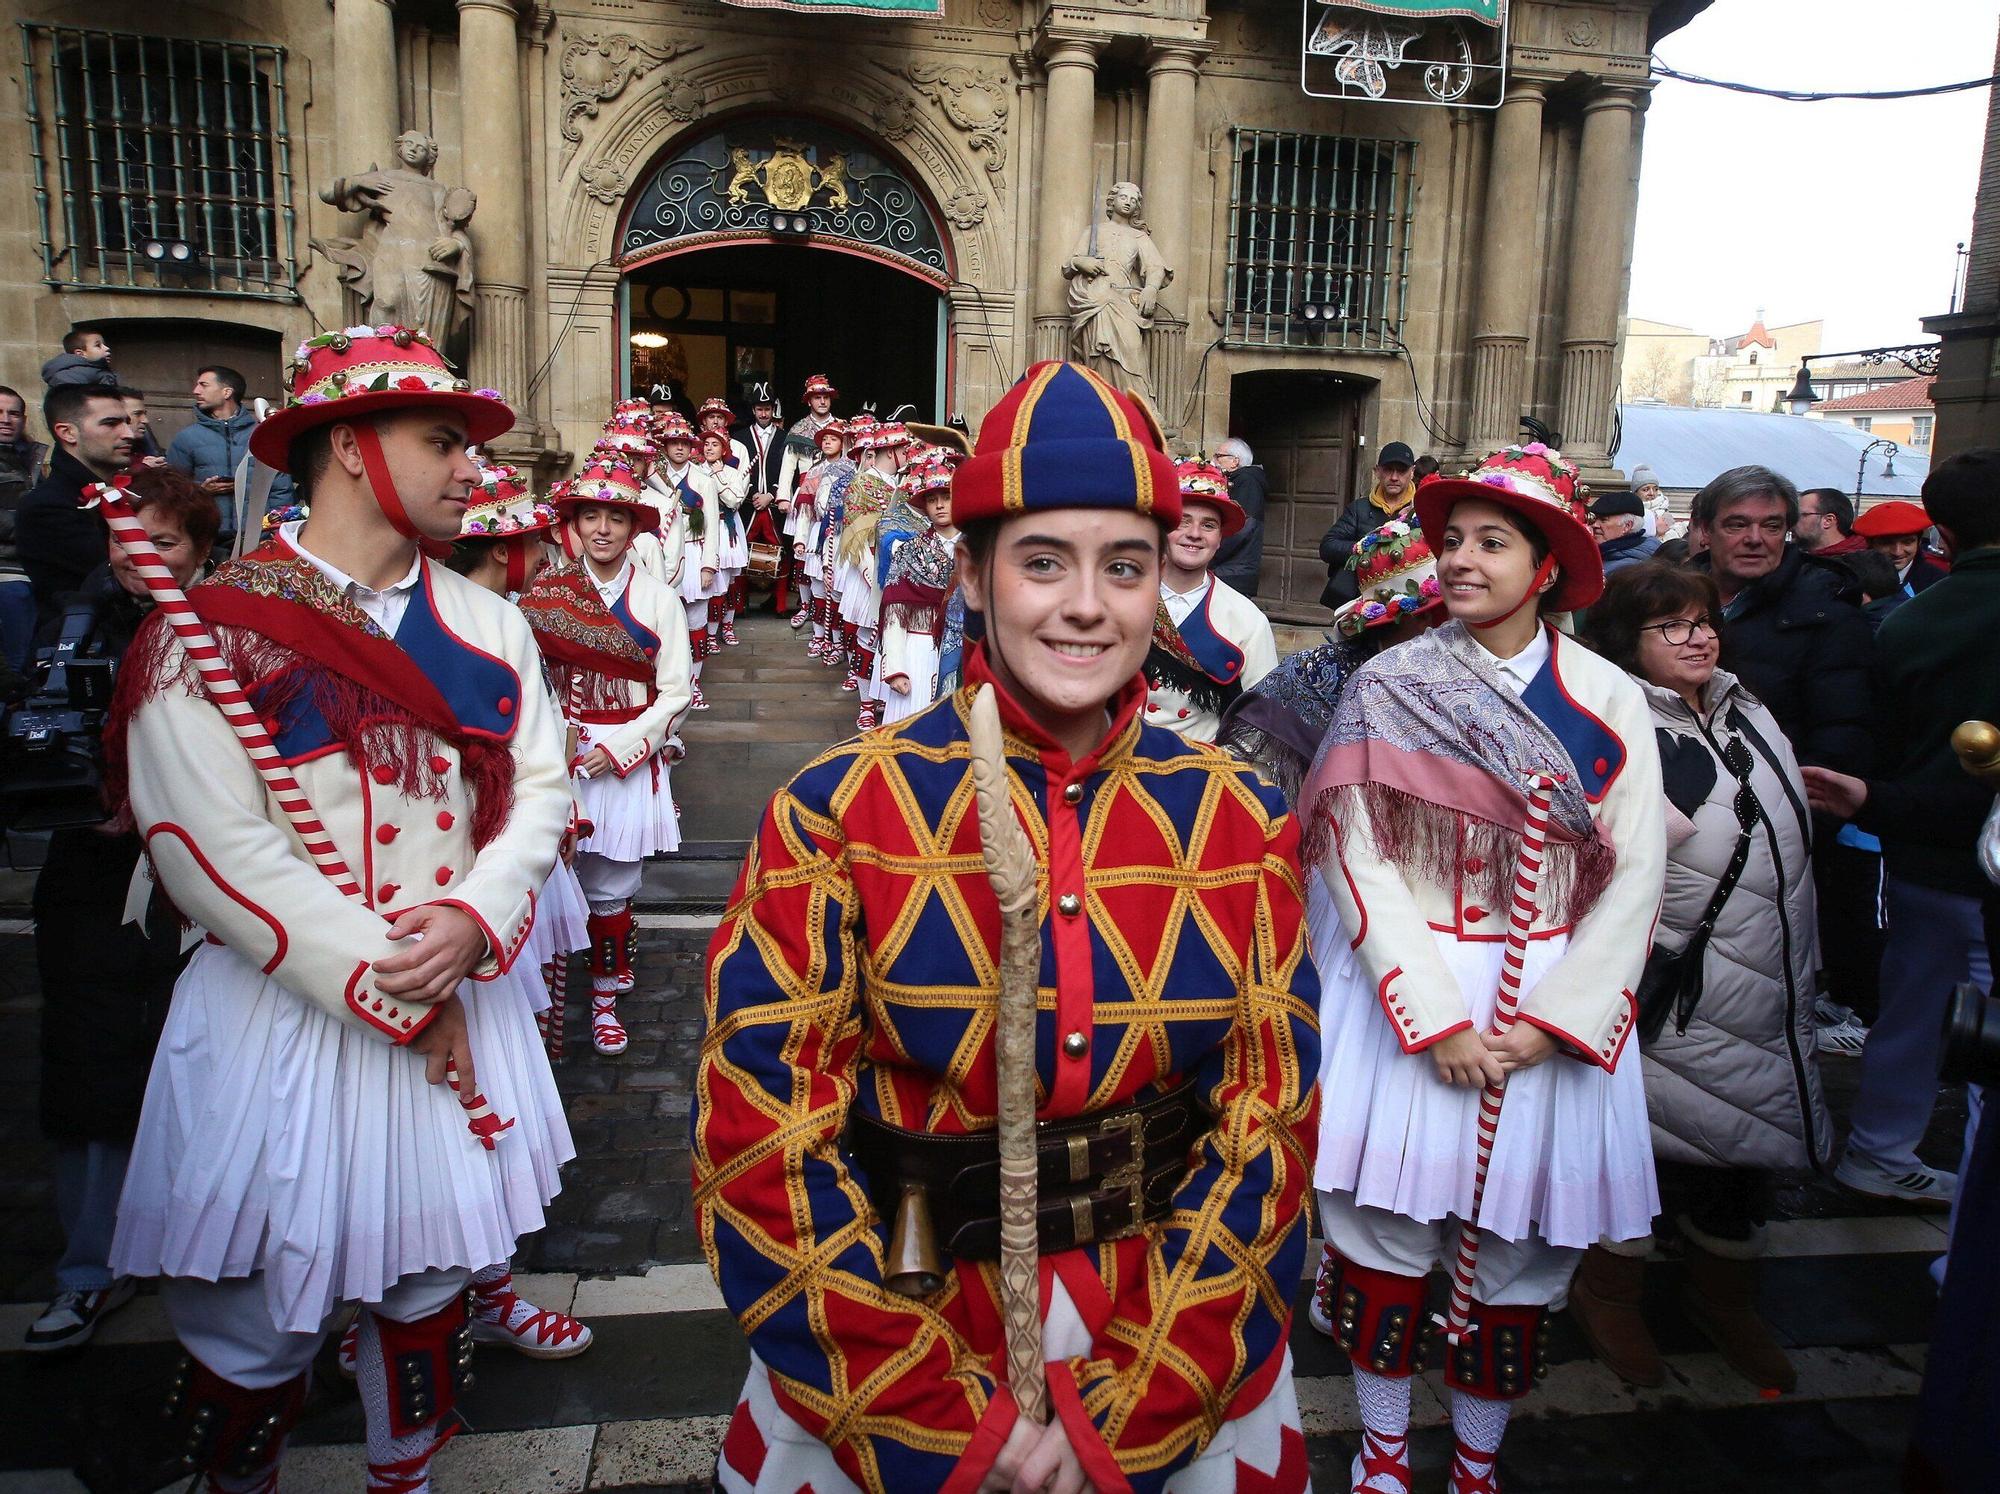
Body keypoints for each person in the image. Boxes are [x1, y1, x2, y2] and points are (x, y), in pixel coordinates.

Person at [695, 360, 1318, 1494]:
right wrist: (931, 1417)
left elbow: (1268, 1121)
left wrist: (1142, 1396)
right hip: (905, 1319)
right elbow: (760, 1135)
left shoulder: (1239, 816)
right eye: (1042, 562)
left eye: (1123, 566)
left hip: (1166, 1327)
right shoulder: (837, 810)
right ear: (973, 575)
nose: (1086, 604)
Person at [102, 325, 574, 1492]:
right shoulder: (208, 627)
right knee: (251, 1315)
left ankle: (403, 1477)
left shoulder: (489, 624)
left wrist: (473, 919)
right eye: (442, 441)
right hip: (287, 1012)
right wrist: (390, 975)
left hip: (459, 983)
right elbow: (209, 850)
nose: (472, 469)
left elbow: (540, 790)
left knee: (431, 1284)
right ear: (352, 447)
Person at [1304, 442, 1664, 1494]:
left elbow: (1637, 870)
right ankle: (1379, 1453)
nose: (1460, 559)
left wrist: (1554, 1020)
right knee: (1380, 1240)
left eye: (1491, 543)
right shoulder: (1389, 683)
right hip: (1413, 993)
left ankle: (1475, 1462)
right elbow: (1354, 854)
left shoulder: (1607, 698)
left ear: (1545, 565)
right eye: (1451, 539)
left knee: (1517, 1259)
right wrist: (1434, 1015)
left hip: (1548, 996)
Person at [1572, 562, 1829, 1394]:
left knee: (1741, 1154)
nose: (1697, 638)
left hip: (1766, 976)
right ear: (1626, 641)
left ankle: (1727, 1298)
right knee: (1651, 1147)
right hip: (1677, 987)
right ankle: (1610, 1290)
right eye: (1671, 626)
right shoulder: (1617, 722)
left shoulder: (1746, 707)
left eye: (1704, 620)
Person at [24, 467, 216, 1354]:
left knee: (199, 1062)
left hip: (202, 885)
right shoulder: (68, 623)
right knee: (92, 1064)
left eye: (162, 541)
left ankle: (198, 1244)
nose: (137, 556)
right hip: (94, 884)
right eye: (122, 538)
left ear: (200, 548)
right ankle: (89, 1265)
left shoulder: (227, 631)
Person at [1804, 448, 2000, 1208]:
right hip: (1964, 850)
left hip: (1919, 851)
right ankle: (1977, 1210)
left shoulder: (1911, 622)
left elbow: (1882, 739)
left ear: (1941, 532)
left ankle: (1880, 1149)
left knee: (1913, 1009)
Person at [521, 454, 693, 1058]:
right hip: (556, 754)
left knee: (611, 888)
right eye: (591, 516)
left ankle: (603, 1001)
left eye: (616, 518)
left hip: (623, 761)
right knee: (541, 878)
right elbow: (527, 677)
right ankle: (539, 995)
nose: (602, 529)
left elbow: (676, 692)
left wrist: (621, 750)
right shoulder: (546, 594)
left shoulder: (658, 599)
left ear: (632, 528)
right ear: (574, 524)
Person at [1221, 516, 1446, 969]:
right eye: (1429, 617)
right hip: (1336, 880)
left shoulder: (1475, 679)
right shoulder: (1315, 676)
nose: (1444, 631)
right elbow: (1250, 783)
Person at [1687, 465, 1871, 776]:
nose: (1754, 539)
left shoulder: (1825, 613)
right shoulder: (1667, 600)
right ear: (1706, 530)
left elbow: (1843, 731)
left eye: (1772, 526)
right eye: (1737, 525)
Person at [1145, 458, 1278, 743]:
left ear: (1220, 539)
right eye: (1183, 521)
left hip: (1195, 764)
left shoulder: (1248, 621)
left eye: (1208, 525)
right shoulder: (1120, 597)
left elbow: (1262, 721)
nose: (1194, 534)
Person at [16, 385, 136, 621]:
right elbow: (116, 574)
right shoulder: (47, 507)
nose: (129, 434)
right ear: (68, 432)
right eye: (111, 423)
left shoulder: (124, 492)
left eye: (127, 422)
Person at [165, 364, 295, 540]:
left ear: (227, 392)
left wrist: (275, 532)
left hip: (258, 538)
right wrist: (201, 491)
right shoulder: (186, 438)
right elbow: (170, 491)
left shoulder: (261, 435)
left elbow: (281, 489)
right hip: (207, 539)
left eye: (203, 385)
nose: (196, 391)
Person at [877, 446, 960, 724]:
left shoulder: (979, 549)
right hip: (920, 652)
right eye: (932, 499)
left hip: (967, 653)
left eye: (946, 497)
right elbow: (894, 612)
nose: (939, 505)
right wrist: (896, 669)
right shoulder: (909, 551)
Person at [648, 412, 722, 710]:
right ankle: (669, 684)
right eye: (673, 443)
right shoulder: (654, 479)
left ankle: (695, 684)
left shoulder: (704, 480)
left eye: (684, 443)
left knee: (696, 623)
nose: (679, 448)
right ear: (665, 446)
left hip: (694, 552)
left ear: (692, 447)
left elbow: (713, 525)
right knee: (666, 623)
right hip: (664, 555)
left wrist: (708, 566)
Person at [1319, 440, 1417, 607]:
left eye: (1401, 470)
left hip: (1407, 604)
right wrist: (1364, 548)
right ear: (1377, 471)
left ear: (1412, 472)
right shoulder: (1359, 509)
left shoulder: (1422, 508)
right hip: (1362, 604)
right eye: (1388, 470)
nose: (1394, 477)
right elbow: (1328, 547)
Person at [790, 420, 849, 663]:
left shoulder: (851, 469)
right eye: (824, 439)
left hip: (840, 533)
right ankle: (818, 636)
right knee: (818, 590)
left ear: (842, 443)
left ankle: (836, 641)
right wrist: (800, 539)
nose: (827, 442)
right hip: (818, 532)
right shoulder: (814, 472)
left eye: (833, 439)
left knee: (835, 590)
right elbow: (805, 509)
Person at [734, 382, 792, 616]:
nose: (764, 413)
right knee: (741, 553)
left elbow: (789, 472)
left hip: (773, 506)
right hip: (748, 506)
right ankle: (739, 604)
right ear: (753, 410)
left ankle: (780, 605)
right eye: (760, 409)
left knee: (782, 552)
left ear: (772, 409)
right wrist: (752, 494)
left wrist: (772, 495)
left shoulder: (785, 438)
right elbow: (735, 472)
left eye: (767, 409)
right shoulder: (739, 438)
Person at [0, 386, 47, 668]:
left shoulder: (31, 458)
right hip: (8, 570)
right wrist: (36, 530)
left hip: (36, 566)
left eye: (13, 413)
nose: (6, 420)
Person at [1853, 498, 1950, 596]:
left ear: (1919, 541)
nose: (1897, 552)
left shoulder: (1938, 584)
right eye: (1887, 543)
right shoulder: (1852, 579)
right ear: (1870, 543)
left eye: (1907, 542)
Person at [1212, 436, 1268, 597]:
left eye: (1218, 456)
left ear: (1235, 461)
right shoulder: (1239, 480)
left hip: (1233, 572)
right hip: (1231, 570)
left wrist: (1210, 553)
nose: (1213, 460)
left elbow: (1242, 525)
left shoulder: (1246, 481)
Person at [1588, 489, 1659, 575]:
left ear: (1627, 526)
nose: (1594, 525)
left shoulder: (1629, 570)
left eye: (1603, 520)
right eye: (1594, 519)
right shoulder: (1605, 554)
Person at [1794, 487, 1865, 560]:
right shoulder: (1794, 557)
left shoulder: (1860, 562)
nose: (1793, 521)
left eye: (1800, 515)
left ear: (1828, 521)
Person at [41, 328, 117, 389]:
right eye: (98, 345)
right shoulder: (68, 377)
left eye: (104, 344)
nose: (107, 348)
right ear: (80, 353)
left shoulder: (101, 371)